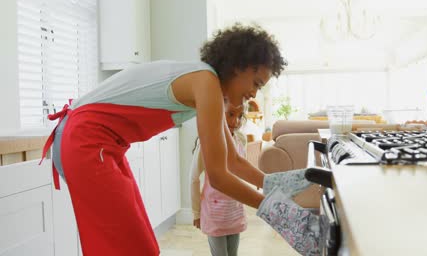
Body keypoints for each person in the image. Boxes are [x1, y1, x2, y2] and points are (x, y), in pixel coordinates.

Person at [40, 23, 320, 256]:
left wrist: (271, 185)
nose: (254, 94)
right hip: (85, 140)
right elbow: (218, 176)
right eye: (256, 83)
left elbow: (232, 161)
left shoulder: (213, 91)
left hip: (99, 143)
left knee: (141, 245)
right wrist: (281, 212)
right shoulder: (205, 82)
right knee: (126, 247)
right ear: (238, 65)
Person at [190, 102, 247, 256]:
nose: (236, 122)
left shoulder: (240, 140)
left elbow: (243, 174)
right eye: (230, 115)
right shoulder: (206, 143)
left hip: (234, 211)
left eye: (240, 116)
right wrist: (196, 213)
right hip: (214, 213)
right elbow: (194, 178)